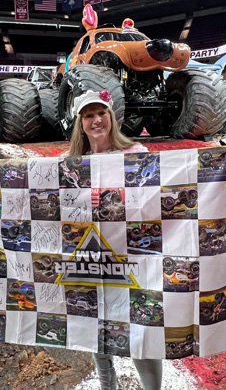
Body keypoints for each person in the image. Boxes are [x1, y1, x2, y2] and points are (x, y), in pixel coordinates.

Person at [68, 89, 162, 389]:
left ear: (111, 118)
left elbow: (166, 186)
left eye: (101, 113)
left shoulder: (135, 153)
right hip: (90, 257)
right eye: (89, 115)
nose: (96, 120)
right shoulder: (72, 163)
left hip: (132, 256)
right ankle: (108, 386)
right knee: (95, 327)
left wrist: (225, 162)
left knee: (141, 330)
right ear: (80, 123)